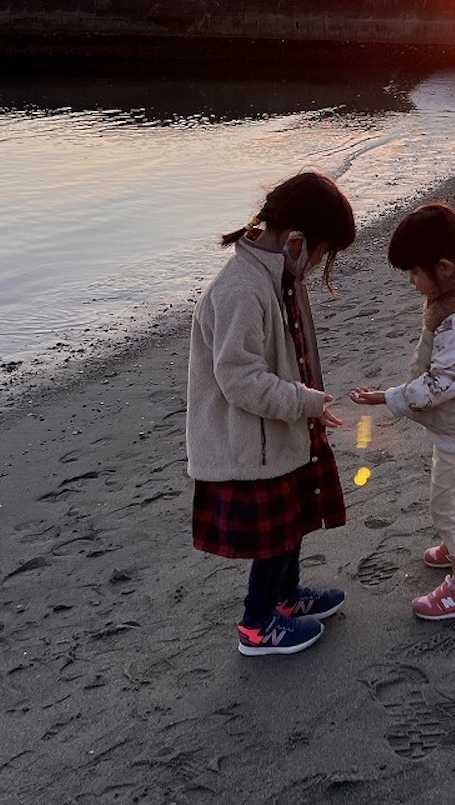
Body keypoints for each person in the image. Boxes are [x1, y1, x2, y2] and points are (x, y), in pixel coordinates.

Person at [186, 170, 357, 656]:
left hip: (282, 430)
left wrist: (306, 403)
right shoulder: (241, 288)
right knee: (274, 538)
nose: (318, 264)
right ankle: (256, 626)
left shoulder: (277, 274)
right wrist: (304, 401)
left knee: (296, 521)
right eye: (321, 254)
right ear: (298, 239)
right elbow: (239, 380)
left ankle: (286, 600)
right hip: (251, 441)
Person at [350, 202, 455, 620]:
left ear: (444, 268)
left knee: (448, 502)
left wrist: (387, 397)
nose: (411, 282)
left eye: (413, 274)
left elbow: (441, 385)